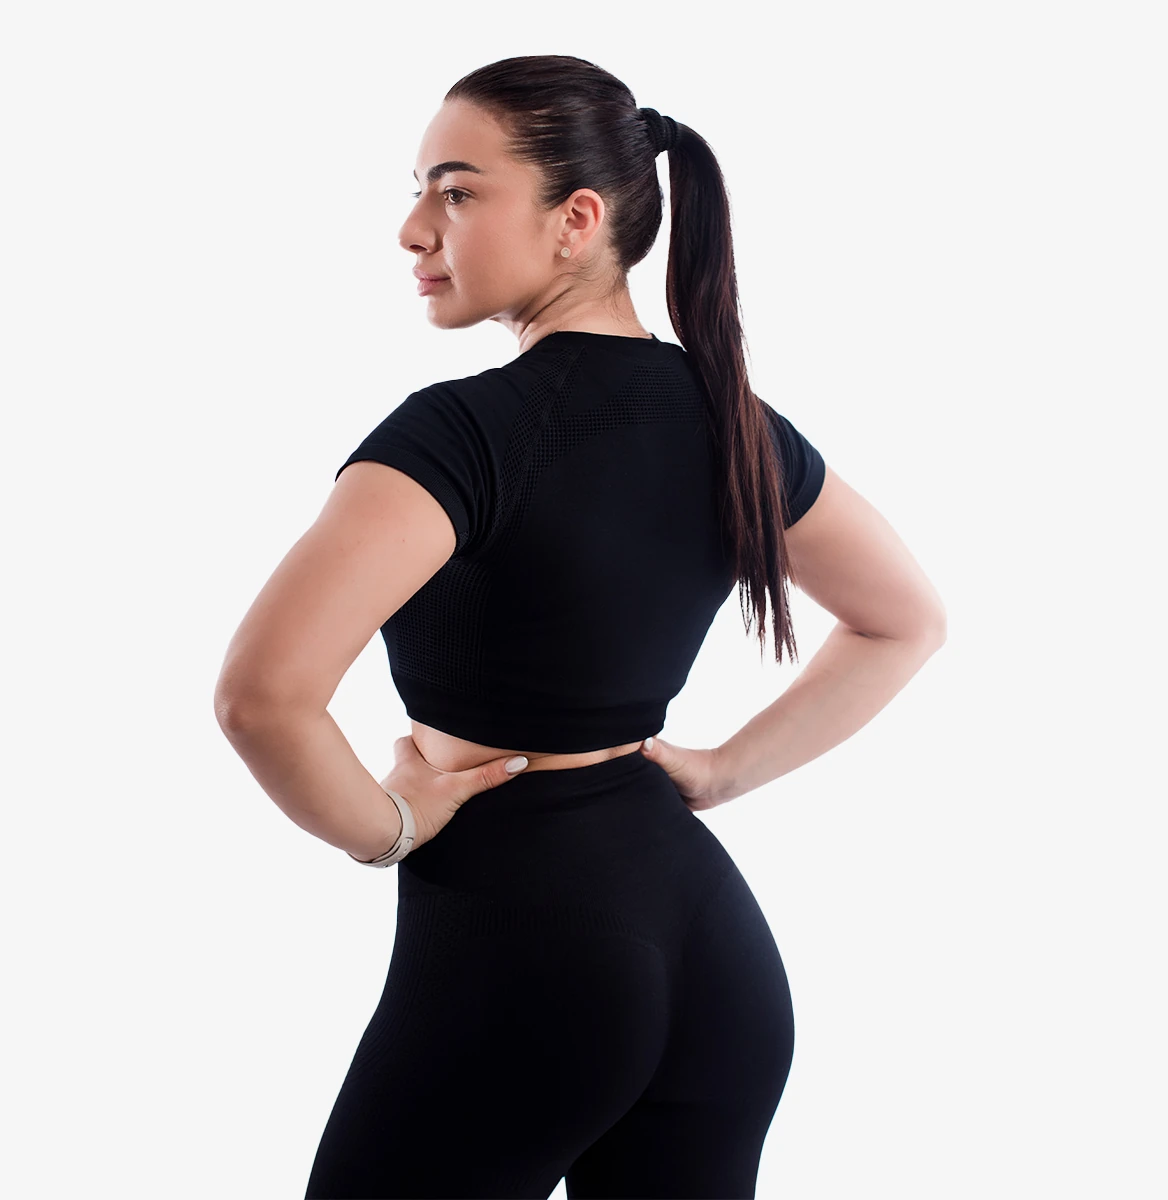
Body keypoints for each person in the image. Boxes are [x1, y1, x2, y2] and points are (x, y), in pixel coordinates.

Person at [214, 53, 947, 1200]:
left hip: (529, 956)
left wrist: (389, 825)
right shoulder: (732, 420)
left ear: (577, 220)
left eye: (457, 191)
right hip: (710, 951)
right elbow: (905, 621)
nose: (414, 229)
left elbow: (261, 698)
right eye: (419, 190)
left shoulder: (464, 437)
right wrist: (718, 772)